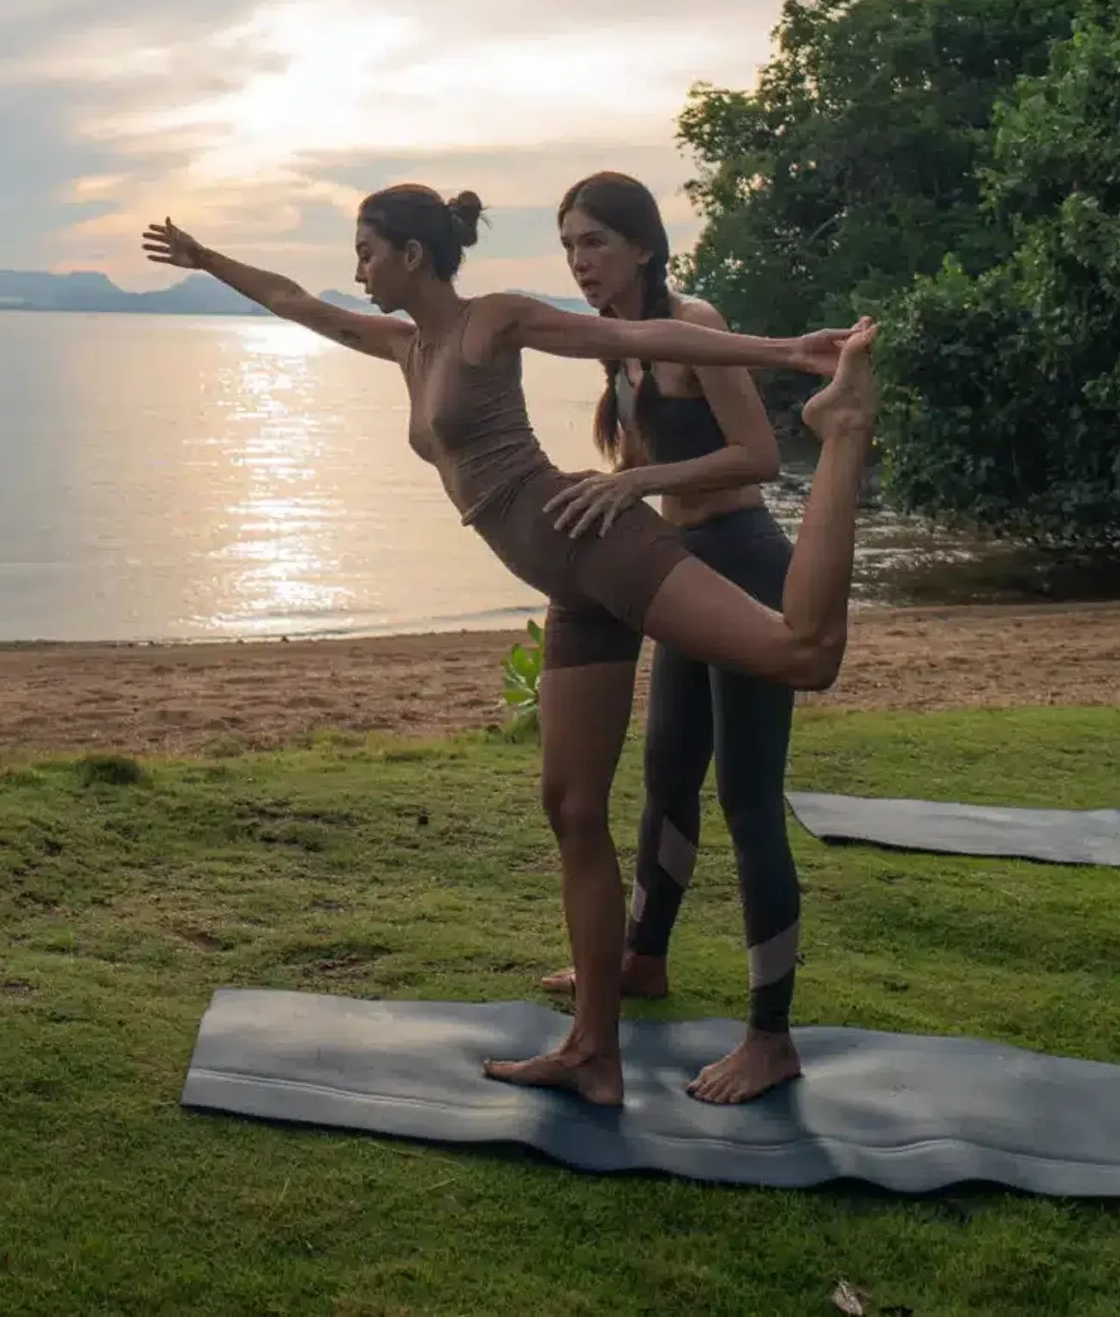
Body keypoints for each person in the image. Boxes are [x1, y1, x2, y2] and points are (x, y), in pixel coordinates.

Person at [143, 185, 881, 1108]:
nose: (358, 268)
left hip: (595, 544)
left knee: (801, 655)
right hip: (569, 588)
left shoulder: (492, 322)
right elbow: (294, 299)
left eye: (369, 250)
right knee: (572, 806)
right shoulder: (403, 345)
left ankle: (845, 430)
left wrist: (783, 353)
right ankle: (593, 1051)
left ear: (416, 255)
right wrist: (209, 258)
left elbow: (637, 340)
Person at [528, 171, 807, 1105]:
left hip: (740, 555)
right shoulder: (620, 346)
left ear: (644, 245)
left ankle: (771, 1036)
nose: (580, 262)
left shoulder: (695, 318)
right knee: (667, 775)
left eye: (595, 242)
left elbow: (759, 455)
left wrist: (634, 485)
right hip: (680, 566)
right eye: (569, 245)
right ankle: (644, 958)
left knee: (748, 797)